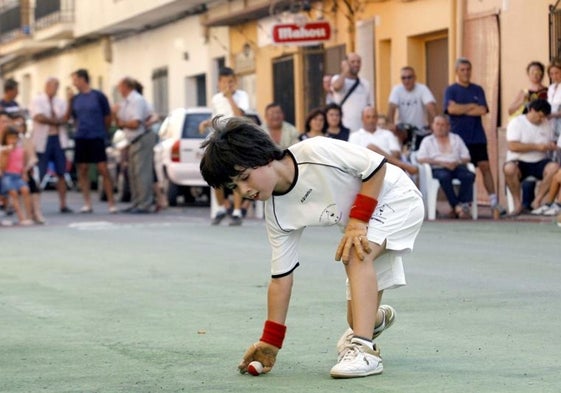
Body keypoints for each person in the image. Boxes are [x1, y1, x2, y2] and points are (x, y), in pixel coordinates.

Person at [199, 116, 424, 379]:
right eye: (233, 187)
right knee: (357, 319)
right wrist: (270, 342)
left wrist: (357, 221)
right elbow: (281, 279)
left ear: (262, 156)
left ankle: (364, 350)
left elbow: (376, 166)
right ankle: (374, 321)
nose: (243, 190)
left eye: (244, 177)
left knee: (353, 254)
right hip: (363, 222)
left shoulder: (314, 151)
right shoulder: (276, 212)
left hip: (396, 197)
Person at [444, 57, 505, 215]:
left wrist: (461, 108)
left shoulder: (478, 89)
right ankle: (458, 205)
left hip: (477, 137)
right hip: (458, 138)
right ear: (457, 72)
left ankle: (493, 202)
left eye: (468, 69)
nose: (466, 72)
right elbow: (451, 110)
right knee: (460, 170)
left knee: (485, 167)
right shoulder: (451, 90)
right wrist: (471, 106)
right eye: (462, 70)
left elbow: (483, 110)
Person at [199, 67, 250, 226]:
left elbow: (239, 116)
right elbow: (217, 118)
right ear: (219, 82)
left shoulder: (242, 96)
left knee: (236, 175)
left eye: (232, 81)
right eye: (226, 82)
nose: (229, 85)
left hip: (235, 138)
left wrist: (230, 98)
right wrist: (206, 123)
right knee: (215, 174)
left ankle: (236, 211)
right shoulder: (215, 98)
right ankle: (221, 208)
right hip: (219, 139)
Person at [65, 69, 117, 214]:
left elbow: (107, 116)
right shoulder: (75, 99)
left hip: (96, 136)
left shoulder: (98, 96)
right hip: (81, 136)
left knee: (103, 169)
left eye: (75, 80)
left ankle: (111, 202)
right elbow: (71, 117)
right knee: (82, 169)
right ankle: (87, 203)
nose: (74, 83)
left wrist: (103, 131)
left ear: (82, 79)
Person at [504, 99, 559, 215]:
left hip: (540, 161)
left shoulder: (546, 124)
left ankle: (537, 201)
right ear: (531, 110)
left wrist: (550, 146)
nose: (541, 119)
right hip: (519, 161)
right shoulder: (517, 122)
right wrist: (536, 147)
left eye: (544, 117)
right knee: (509, 169)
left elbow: (552, 141)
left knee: (554, 168)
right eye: (539, 116)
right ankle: (517, 204)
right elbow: (512, 146)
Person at [416, 115, 475, 218]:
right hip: (438, 167)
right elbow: (421, 158)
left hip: (456, 165)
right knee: (444, 177)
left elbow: (467, 157)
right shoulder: (427, 141)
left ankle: (462, 205)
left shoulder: (456, 138)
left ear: (448, 127)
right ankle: (457, 207)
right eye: (437, 124)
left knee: (469, 175)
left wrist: (457, 162)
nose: (440, 127)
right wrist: (440, 163)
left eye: (443, 125)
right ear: (432, 126)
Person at [30, 77, 73, 214]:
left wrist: (69, 102)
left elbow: (66, 118)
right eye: (53, 86)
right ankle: (35, 205)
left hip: (58, 140)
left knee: (61, 172)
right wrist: (56, 121)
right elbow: (39, 117)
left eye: (57, 86)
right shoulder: (37, 100)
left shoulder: (60, 102)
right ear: (46, 86)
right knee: (40, 173)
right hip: (43, 140)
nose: (54, 89)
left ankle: (63, 204)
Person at [114, 77, 154, 214]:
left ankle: (144, 204)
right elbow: (120, 122)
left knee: (141, 172)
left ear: (126, 86)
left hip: (141, 137)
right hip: (132, 139)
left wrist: (123, 123)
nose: (119, 90)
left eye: (120, 87)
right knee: (133, 173)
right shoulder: (126, 102)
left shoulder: (136, 100)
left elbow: (135, 123)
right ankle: (137, 202)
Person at [349, 107, 417, 175]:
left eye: (374, 117)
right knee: (371, 147)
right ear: (362, 119)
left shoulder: (387, 134)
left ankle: (400, 165)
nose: (371, 120)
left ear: (377, 119)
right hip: (367, 170)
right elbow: (355, 158)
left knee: (371, 148)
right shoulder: (355, 136)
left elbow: (396, 154)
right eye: (368, 117)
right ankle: (402, 165)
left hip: (389, 168)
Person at [387, 66, 437, 143]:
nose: (406, 81)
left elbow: (430, 106)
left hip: (421, 129)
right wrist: (391, 124)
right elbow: (391, 108)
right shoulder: (397, 90)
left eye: (409, 77)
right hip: (403, 130)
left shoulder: (422, 89)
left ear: (415, 78)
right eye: (403, 78)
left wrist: (436, 122)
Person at [12, 114, 45, 224]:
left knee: (31, 183)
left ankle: (36, 213)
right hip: (9, 173)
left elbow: (33, 158)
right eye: (17, 124)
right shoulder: (6, 140)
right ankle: (25, 215)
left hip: (23, 172)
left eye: (21, 124)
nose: (19, 127)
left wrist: (25, 170)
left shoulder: (26, 140)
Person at [331, 53, 374, 132]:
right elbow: (336, 87)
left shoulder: (365, 83)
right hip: (343, 128)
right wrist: (344, 71)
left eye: (358, 62)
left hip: (361, 129)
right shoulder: (337, 79)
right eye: (352, 62)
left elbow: (370, 106)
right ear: (345, 63)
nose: (356, 64)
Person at [0, 127, 33, 225]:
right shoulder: (3, 150)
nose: (12, 141)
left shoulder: (21, 150)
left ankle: (28, 216)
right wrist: (6, 154)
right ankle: (21, 218)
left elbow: (23, 164)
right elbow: (3, 167)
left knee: (25, 190)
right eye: (10, 138)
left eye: (15, 138)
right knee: (13, 193)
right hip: (7, 176)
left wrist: (24, 173)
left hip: (18, 176)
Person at [547, 60, 561, 157]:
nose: (554, 76)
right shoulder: (551, 88)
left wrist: (553, 114)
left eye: (557, 73)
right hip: (551, 123)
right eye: (551, 73)